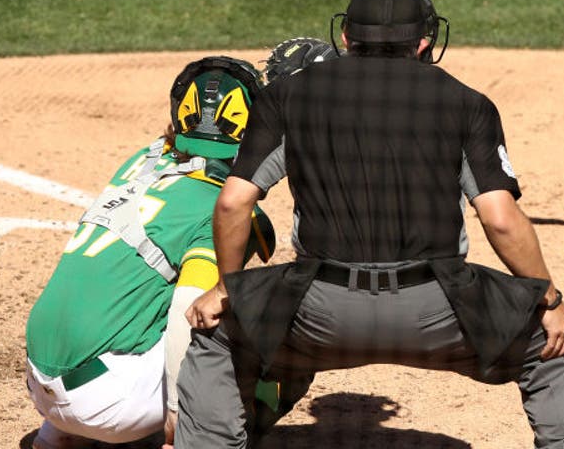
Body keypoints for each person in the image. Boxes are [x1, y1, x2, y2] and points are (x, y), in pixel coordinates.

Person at [176, 0, 564, 449]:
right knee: (560, 347)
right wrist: (548, 299)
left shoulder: (286, 95)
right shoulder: (467, 104)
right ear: (424, 41)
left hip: (317, 309)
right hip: (438, 311)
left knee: (219, 335)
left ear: (344, 37)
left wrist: (226, 288)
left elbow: (234, 201)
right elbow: (500, 219)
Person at [24, 42, 333, 449]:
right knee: (278, 322)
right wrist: (180, 421)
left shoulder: (145, 160)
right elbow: (190, 317)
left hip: (40, 384)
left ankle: (60, 437)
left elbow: (189, 133)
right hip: (109, 406)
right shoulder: (222, 215)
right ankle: (194, 439)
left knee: (137, 283)